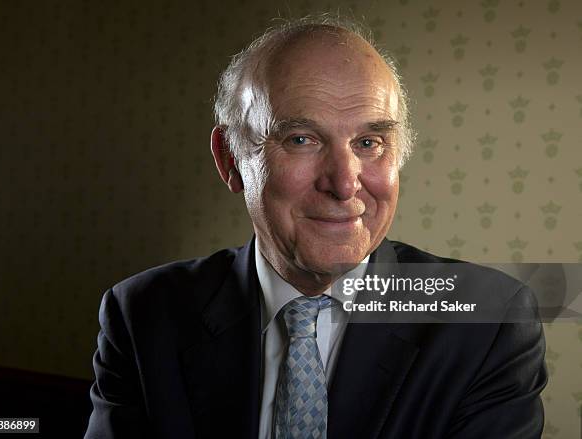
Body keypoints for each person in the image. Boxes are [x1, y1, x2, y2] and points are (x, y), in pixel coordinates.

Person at [84, 16, 547, 439]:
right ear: (230, 160)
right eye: (301, 139)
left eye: (369, 142)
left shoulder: (490, 320)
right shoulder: (143, 314)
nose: (345, 184)